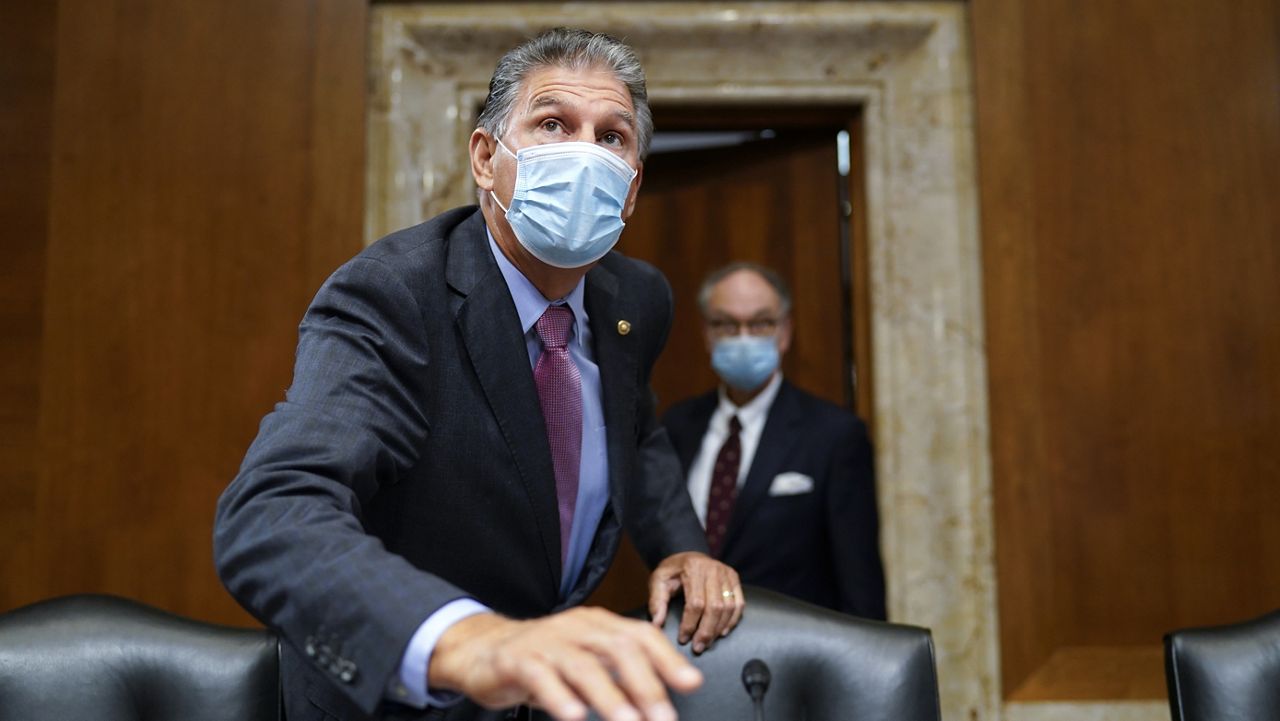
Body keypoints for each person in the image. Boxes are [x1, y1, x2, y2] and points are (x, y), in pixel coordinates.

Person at [213, 28, 744, 721]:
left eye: (611, 137)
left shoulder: (635, 297)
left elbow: (635, 428)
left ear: (633, 187)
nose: (583, 152)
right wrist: (470, 638)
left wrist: (680, 545)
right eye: (553, 124)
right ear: (487, 158)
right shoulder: (394, 294)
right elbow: (274, 510)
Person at [661, 262, 886, 620]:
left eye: (761, 323)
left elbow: (860, 580)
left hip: (794, 652)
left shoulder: (834, 434)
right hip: (689, 644)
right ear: (707, 334)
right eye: (727, 325)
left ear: (784, 333)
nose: (744, 336)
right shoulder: (677, 425)